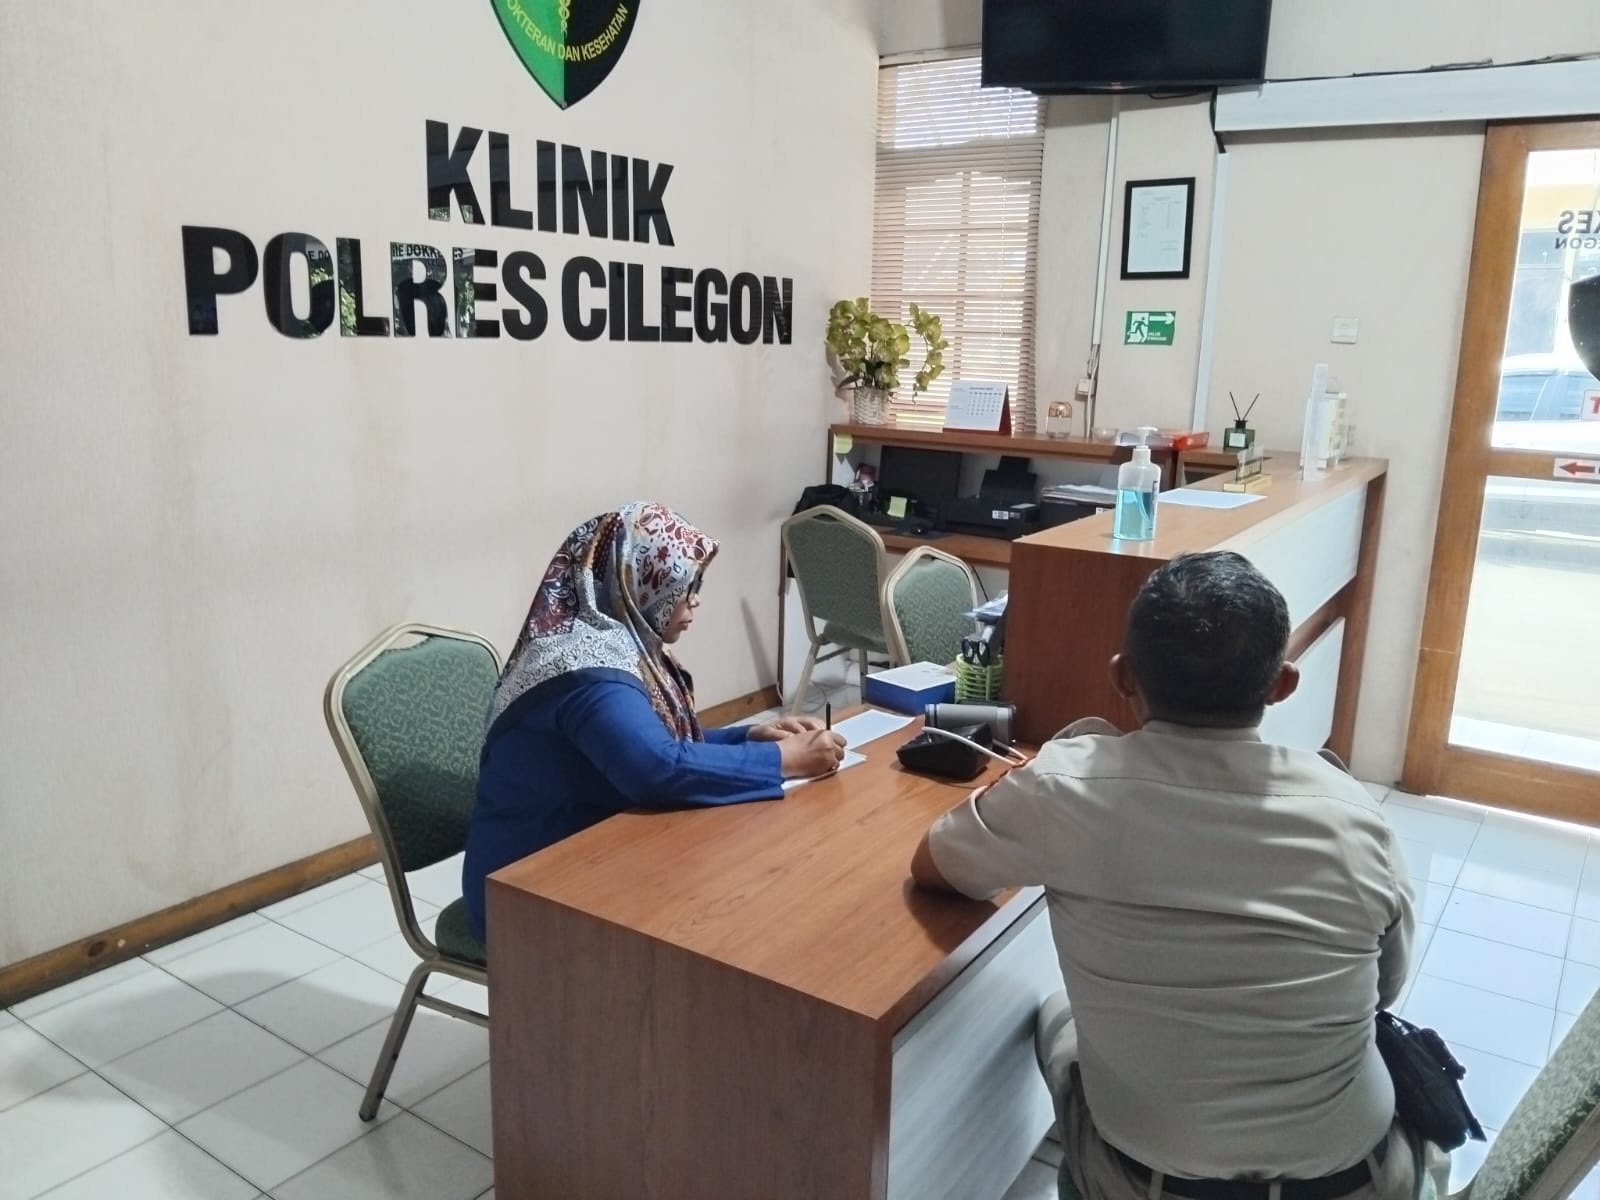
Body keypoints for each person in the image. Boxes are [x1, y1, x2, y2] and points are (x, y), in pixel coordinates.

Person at [910, 551, 1417, 1200]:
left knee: (1058, 1017)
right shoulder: (1357, 814)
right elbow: (1384, 990)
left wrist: (1060, 774)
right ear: (1282, 684)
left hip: (1156, 1183)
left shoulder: (1066, 788)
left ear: (1122, 676)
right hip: (1360, 1178)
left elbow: (935, 864)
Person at [463, 502, 845, 941]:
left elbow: (652, 743)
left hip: (582, 852)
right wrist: (782, 759)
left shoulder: (611, 639)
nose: (695, 600)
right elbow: (656, 768)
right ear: (639, 581)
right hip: (522, 895)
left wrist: (751, 735)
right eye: (685, 586)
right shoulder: (590, 671)